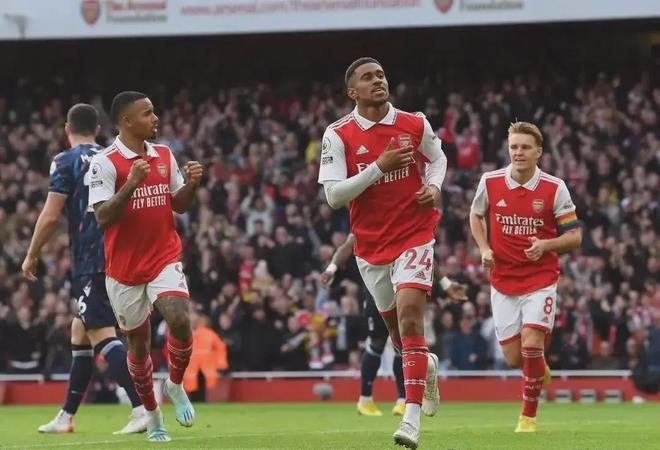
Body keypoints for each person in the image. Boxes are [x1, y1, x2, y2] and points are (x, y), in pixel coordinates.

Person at [318, 57, 447, 449]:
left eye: (381, 75)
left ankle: (410, 420)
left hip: (415, 234)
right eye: (367, 77)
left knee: (410, 318)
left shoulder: (414, 123)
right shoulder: (337, 134)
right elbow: (334, 196)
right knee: (398, 336)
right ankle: (425, 366)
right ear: (352, 92)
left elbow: (438, 158)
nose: (377, 81)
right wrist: (379, 166)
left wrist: (434, 187)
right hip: (370, 246)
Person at [21, 103, 148, 435]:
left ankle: (143, 407)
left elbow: (51, 215)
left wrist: (32, 253)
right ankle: (67, 415)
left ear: (67, 129)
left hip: (91, 259)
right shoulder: (113, 157)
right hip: (120, 254)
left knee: (101, 332)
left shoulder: (66, 161)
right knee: (80, 330)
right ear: (98, 129)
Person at [88, 91, 203, 443]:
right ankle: (153, 417)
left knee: (179, 319)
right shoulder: (105, 163)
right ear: (126, 121)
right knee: (138, 346)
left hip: (163, 257)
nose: (155, 118)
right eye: (147, 113)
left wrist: (192, 186)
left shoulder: (164, 154)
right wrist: (131, 184)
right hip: (123, 271)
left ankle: (175, 384)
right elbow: (102, 217)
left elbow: (179, 205)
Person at [469, 121, 582, 432]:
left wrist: (546, 245)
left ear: (538, 152)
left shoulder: (554, 188)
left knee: (531, 345)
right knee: (514, 358)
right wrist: (484, 248)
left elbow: (574, 236)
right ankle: (539, 365)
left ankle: (528, 417)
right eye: (514, 147)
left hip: (540, 279)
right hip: (503, 280)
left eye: (525, 147)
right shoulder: (490, 181)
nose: (518, 152)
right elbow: (476, 214)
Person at [321, 233, 467, 418]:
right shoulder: (369, 223)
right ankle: (365, 399)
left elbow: (425, 253)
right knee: (377, 342)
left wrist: (445, 284)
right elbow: (347, 246)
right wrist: (331, 268)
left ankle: (402, 399)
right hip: (376, 289)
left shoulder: (406, 226)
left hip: (402, 287)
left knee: (404, 342)